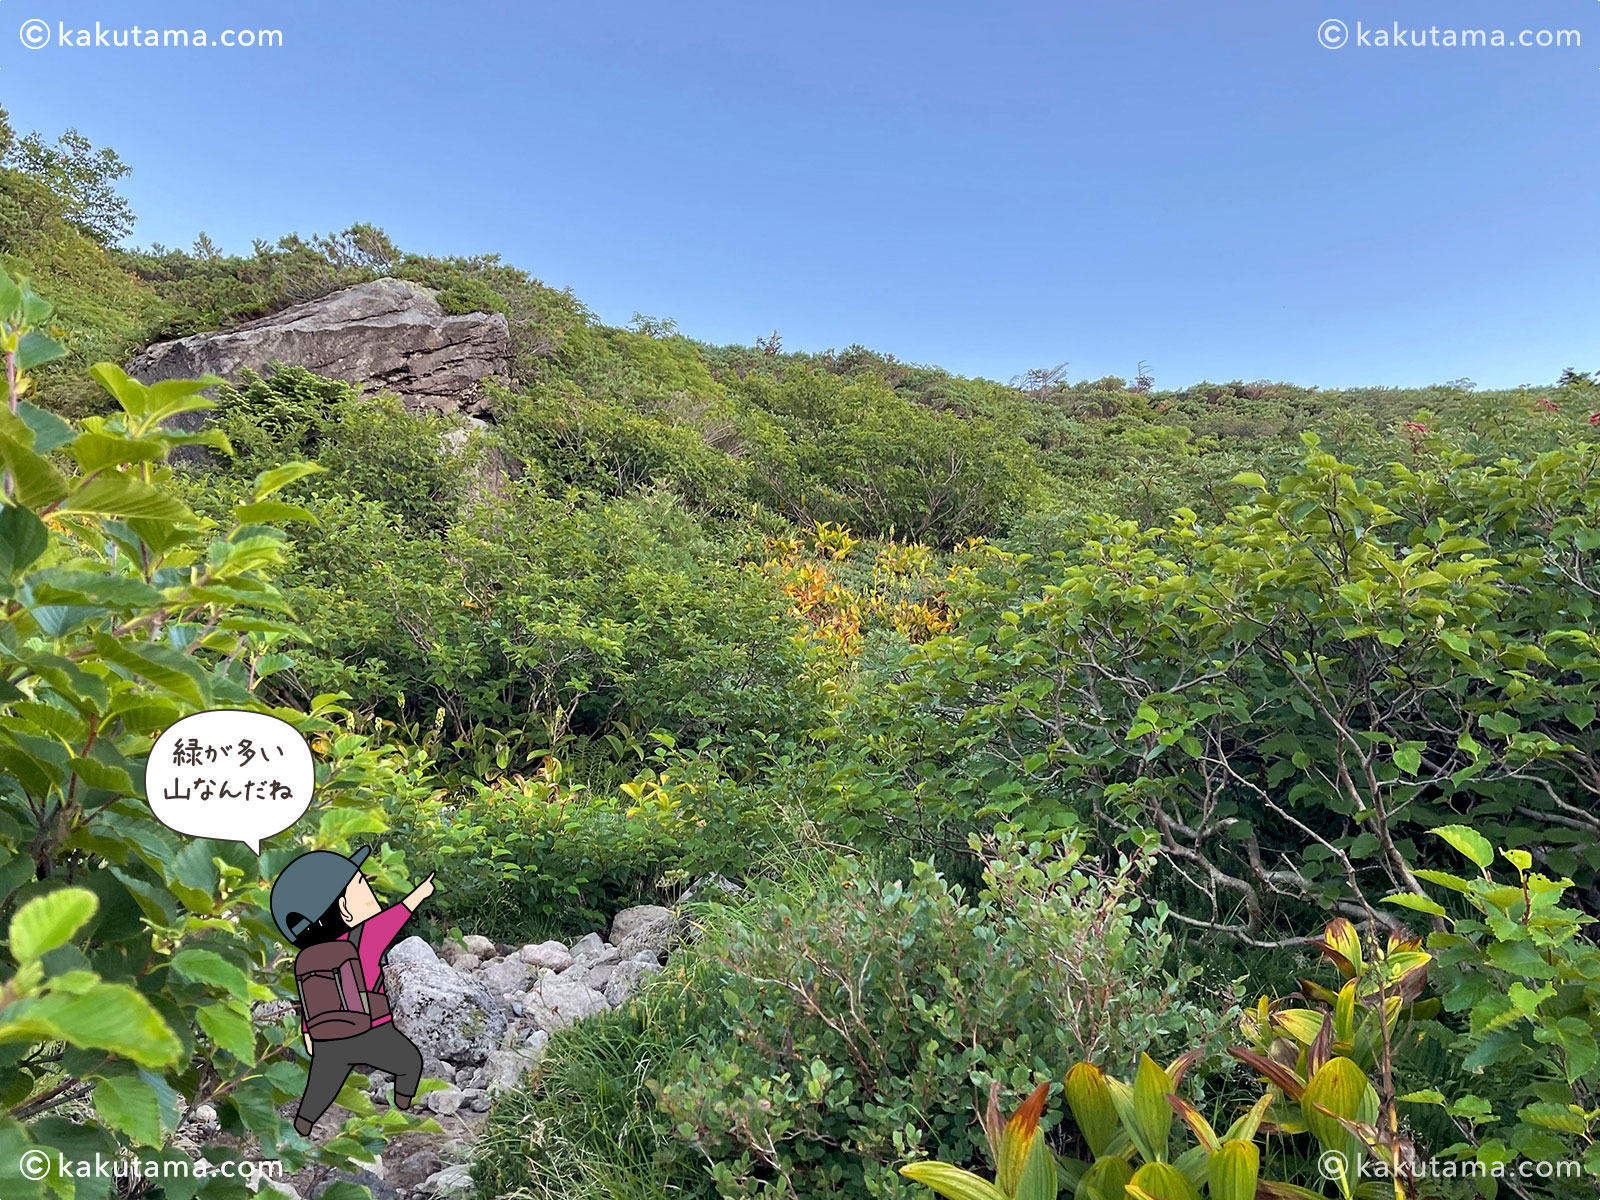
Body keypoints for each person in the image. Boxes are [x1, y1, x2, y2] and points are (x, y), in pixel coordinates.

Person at [268, 846, 435, 1138]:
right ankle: (403, 1107)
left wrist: (309, 1033)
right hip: (372, 1030)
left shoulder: (306, 958)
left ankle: (303, 1123)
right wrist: (420, 894)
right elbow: (397, 915)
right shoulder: (365, 935)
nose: (368, 889)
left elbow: (310, 1000)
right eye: (361, 885)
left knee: (321, 1087)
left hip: (327, 1038)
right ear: (344, 909)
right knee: (410, 1062)